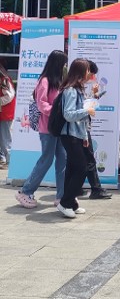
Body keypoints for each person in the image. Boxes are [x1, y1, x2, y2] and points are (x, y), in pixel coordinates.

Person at [16, 50, 67, 208]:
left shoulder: (59, 81)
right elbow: (41, 104)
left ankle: (62, 196)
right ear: (57, 64)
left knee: (63, 160)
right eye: (64, 63)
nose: (65, 66)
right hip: (48, 129)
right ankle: (26, 192)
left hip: (59, 127)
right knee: (46, 160)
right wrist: (57, 111)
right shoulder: (45, 81)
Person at [57, 58, 95, 218]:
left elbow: (81, 120)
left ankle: (70, 203)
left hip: (77, 135)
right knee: (81, 168)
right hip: (69, 135)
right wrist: (87, 111)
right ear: (81, 72)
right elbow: (68, 114)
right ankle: (65, 203)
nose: (89, 73)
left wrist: (84, 135)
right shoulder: (71, 91)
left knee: (72, 169)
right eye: (87, 70)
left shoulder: (78, 90)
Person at [79, 61, 111, 200]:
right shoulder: (75, 88)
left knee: (82, 159)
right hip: (81, 128)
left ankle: (75, 188)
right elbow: (81, 107)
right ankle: (95, 189)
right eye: (90, 74)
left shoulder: (78, 86)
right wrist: (93, 97)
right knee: (89, 158)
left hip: (80, 127)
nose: (91, 77)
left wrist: (95, 95)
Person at [0, 63, 14, 170]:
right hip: (3, 112)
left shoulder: (4, 80)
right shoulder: (4, 78)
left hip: (5, 112)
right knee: (3, 137)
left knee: (5, 137)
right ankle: (3, 159)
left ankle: (9, 161)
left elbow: (9, 96)